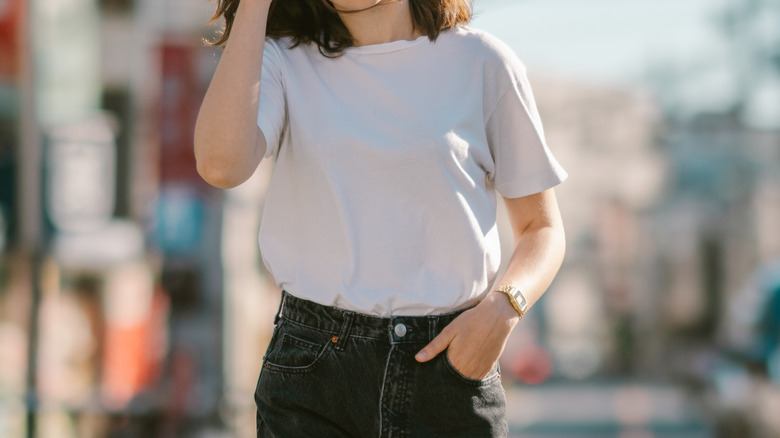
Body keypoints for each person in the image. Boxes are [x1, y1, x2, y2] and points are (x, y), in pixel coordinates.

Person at [194, 0, 567, 436]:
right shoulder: (282, 61)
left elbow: (541, 228)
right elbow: (221, 166)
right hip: (313, 368)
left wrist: (503, 309)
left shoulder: (483, 62)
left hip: (447, 363)